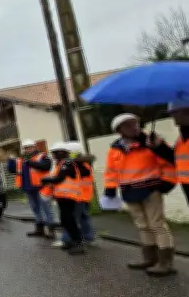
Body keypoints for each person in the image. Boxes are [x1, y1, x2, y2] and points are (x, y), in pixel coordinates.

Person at [103, 113, 177, 276]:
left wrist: (166, 183)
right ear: (119, 130)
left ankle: (166, 262)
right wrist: (110, 189)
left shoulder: (151, 142)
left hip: (150, 189)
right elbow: (111, 171)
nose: (133, 127)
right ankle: (149, 258)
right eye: (128, 125)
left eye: (135, 123)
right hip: (129, 191)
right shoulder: (115, 149)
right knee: (142, 226)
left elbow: (169, 162)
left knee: (157, 225)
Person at [41, 142, 95, 254]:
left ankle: (77, 242)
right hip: (64, 197)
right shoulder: (63, 163)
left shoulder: (68, 164)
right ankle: (75, 240)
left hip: (70, 197)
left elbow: (59, 179)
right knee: (67, 220)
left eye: (54, 153)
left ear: (60, 152)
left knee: (70, 220)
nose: (53, 156)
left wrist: (44, 180)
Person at [7, 139, 55, 238]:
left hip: (42, 187)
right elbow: (11, 169)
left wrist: (30, 163)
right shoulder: (21, 160)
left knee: (46, 209)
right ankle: (39, 229)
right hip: (29, 188)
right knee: (35, 209)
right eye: (25, 148)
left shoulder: (42, 156)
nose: (27, 150)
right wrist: (10, 160)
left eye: (29, 148)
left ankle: (51, 230)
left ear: (34, 147)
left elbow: (46, 166)